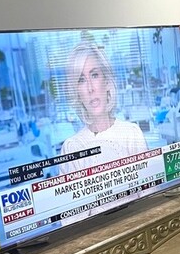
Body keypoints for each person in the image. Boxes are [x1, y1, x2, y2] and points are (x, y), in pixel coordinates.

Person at [59, 42, 148, 176]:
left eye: (94, 75)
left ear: (106, 81)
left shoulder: (131, 134)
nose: (90, 88)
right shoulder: (71, 148)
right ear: (76, 91)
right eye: (81, 80)